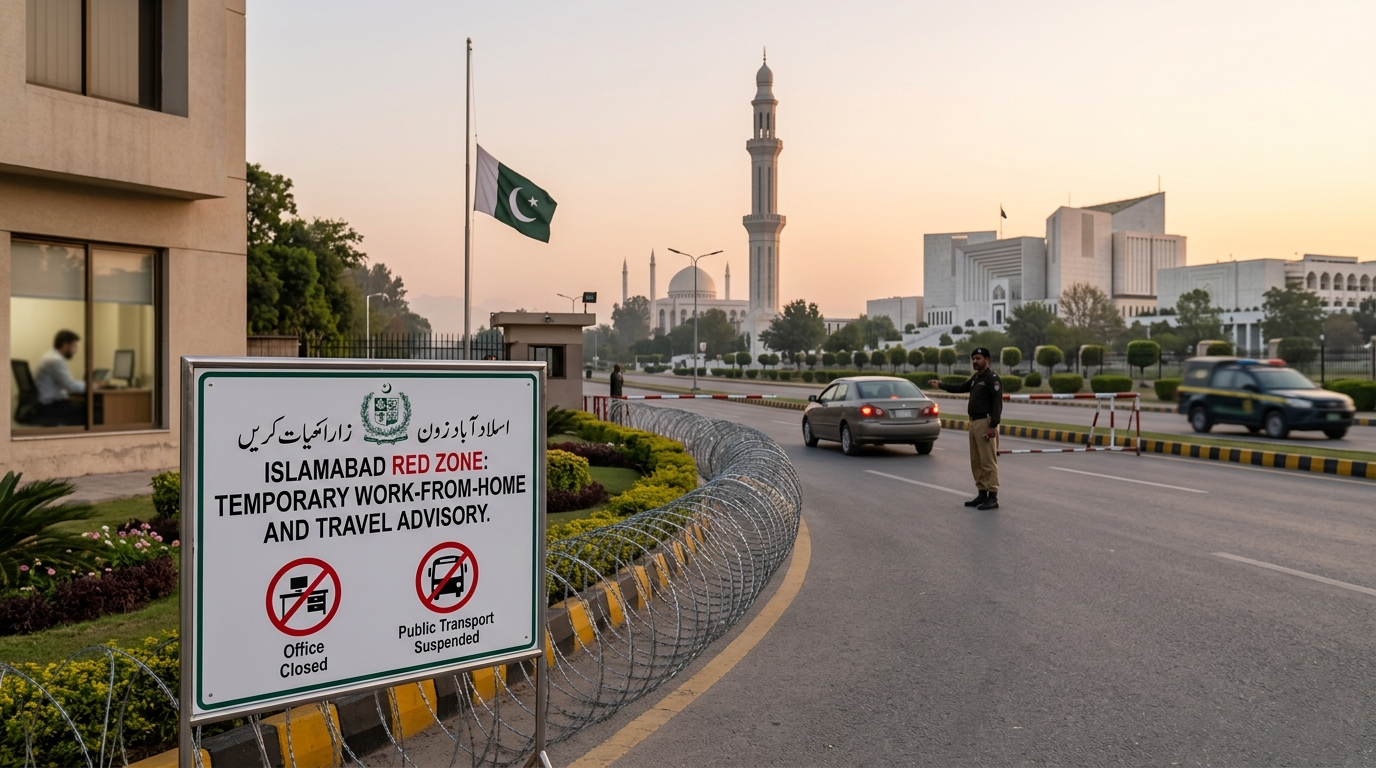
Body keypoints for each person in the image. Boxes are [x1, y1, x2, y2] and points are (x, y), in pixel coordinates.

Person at [928, 347, 1002, 510]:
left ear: (987, 360)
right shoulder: (976, 378)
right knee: (976, 460)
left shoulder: (992, 379)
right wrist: (940, 385)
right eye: (973, 359)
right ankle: (982, 493)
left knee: (987, 461)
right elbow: (960, 387)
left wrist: (993, 426)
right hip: (974, 422)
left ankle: (992, 496)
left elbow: (997, 404)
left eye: (978, 358)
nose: (975, 361)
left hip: (985, 422)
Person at [35, 330, 88, 426]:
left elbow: (67, 384)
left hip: (46, 404)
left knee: (84, 407)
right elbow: (70, 386)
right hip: (51, 406)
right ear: (65, 345)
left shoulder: (50, 356)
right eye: (74, 346)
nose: (75, 351)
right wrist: (93, 385)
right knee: (93, 413)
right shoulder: (55, 360)